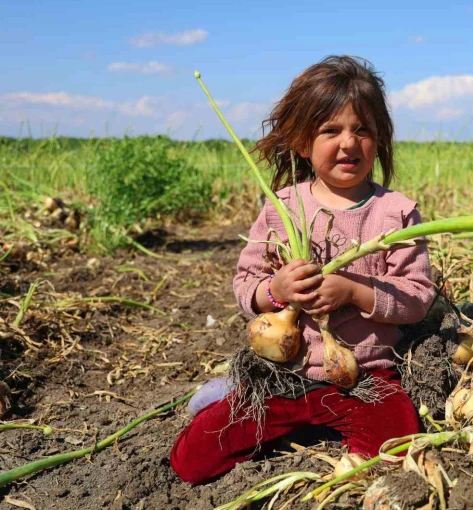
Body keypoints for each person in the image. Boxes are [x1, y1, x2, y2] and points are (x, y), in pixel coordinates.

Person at [170, 55, 436, 485]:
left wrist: (353, 291)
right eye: (330, 130)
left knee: (397, 455)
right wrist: (276, 290)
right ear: (301, 142)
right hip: (282, 377)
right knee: (190, 461)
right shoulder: (283, 208)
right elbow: (245, 287)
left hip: (364, 377)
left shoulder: (395, 213)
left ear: (380, 139)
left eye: (362, 130)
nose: (348, 143)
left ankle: (319, 425)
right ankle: (238, 397)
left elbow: (417, 298)